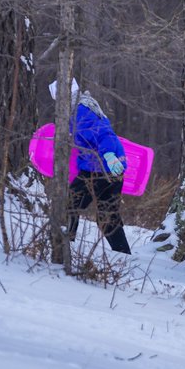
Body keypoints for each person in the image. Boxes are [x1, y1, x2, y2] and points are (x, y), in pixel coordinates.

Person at [65, 86, 131, 254]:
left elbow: (104, 134)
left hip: (103, 167)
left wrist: (108, 154)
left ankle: (65, 244)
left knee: (76, 205)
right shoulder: (81, 107)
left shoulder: (81, 110)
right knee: (103, 215)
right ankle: (123, 254)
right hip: (97, 167)